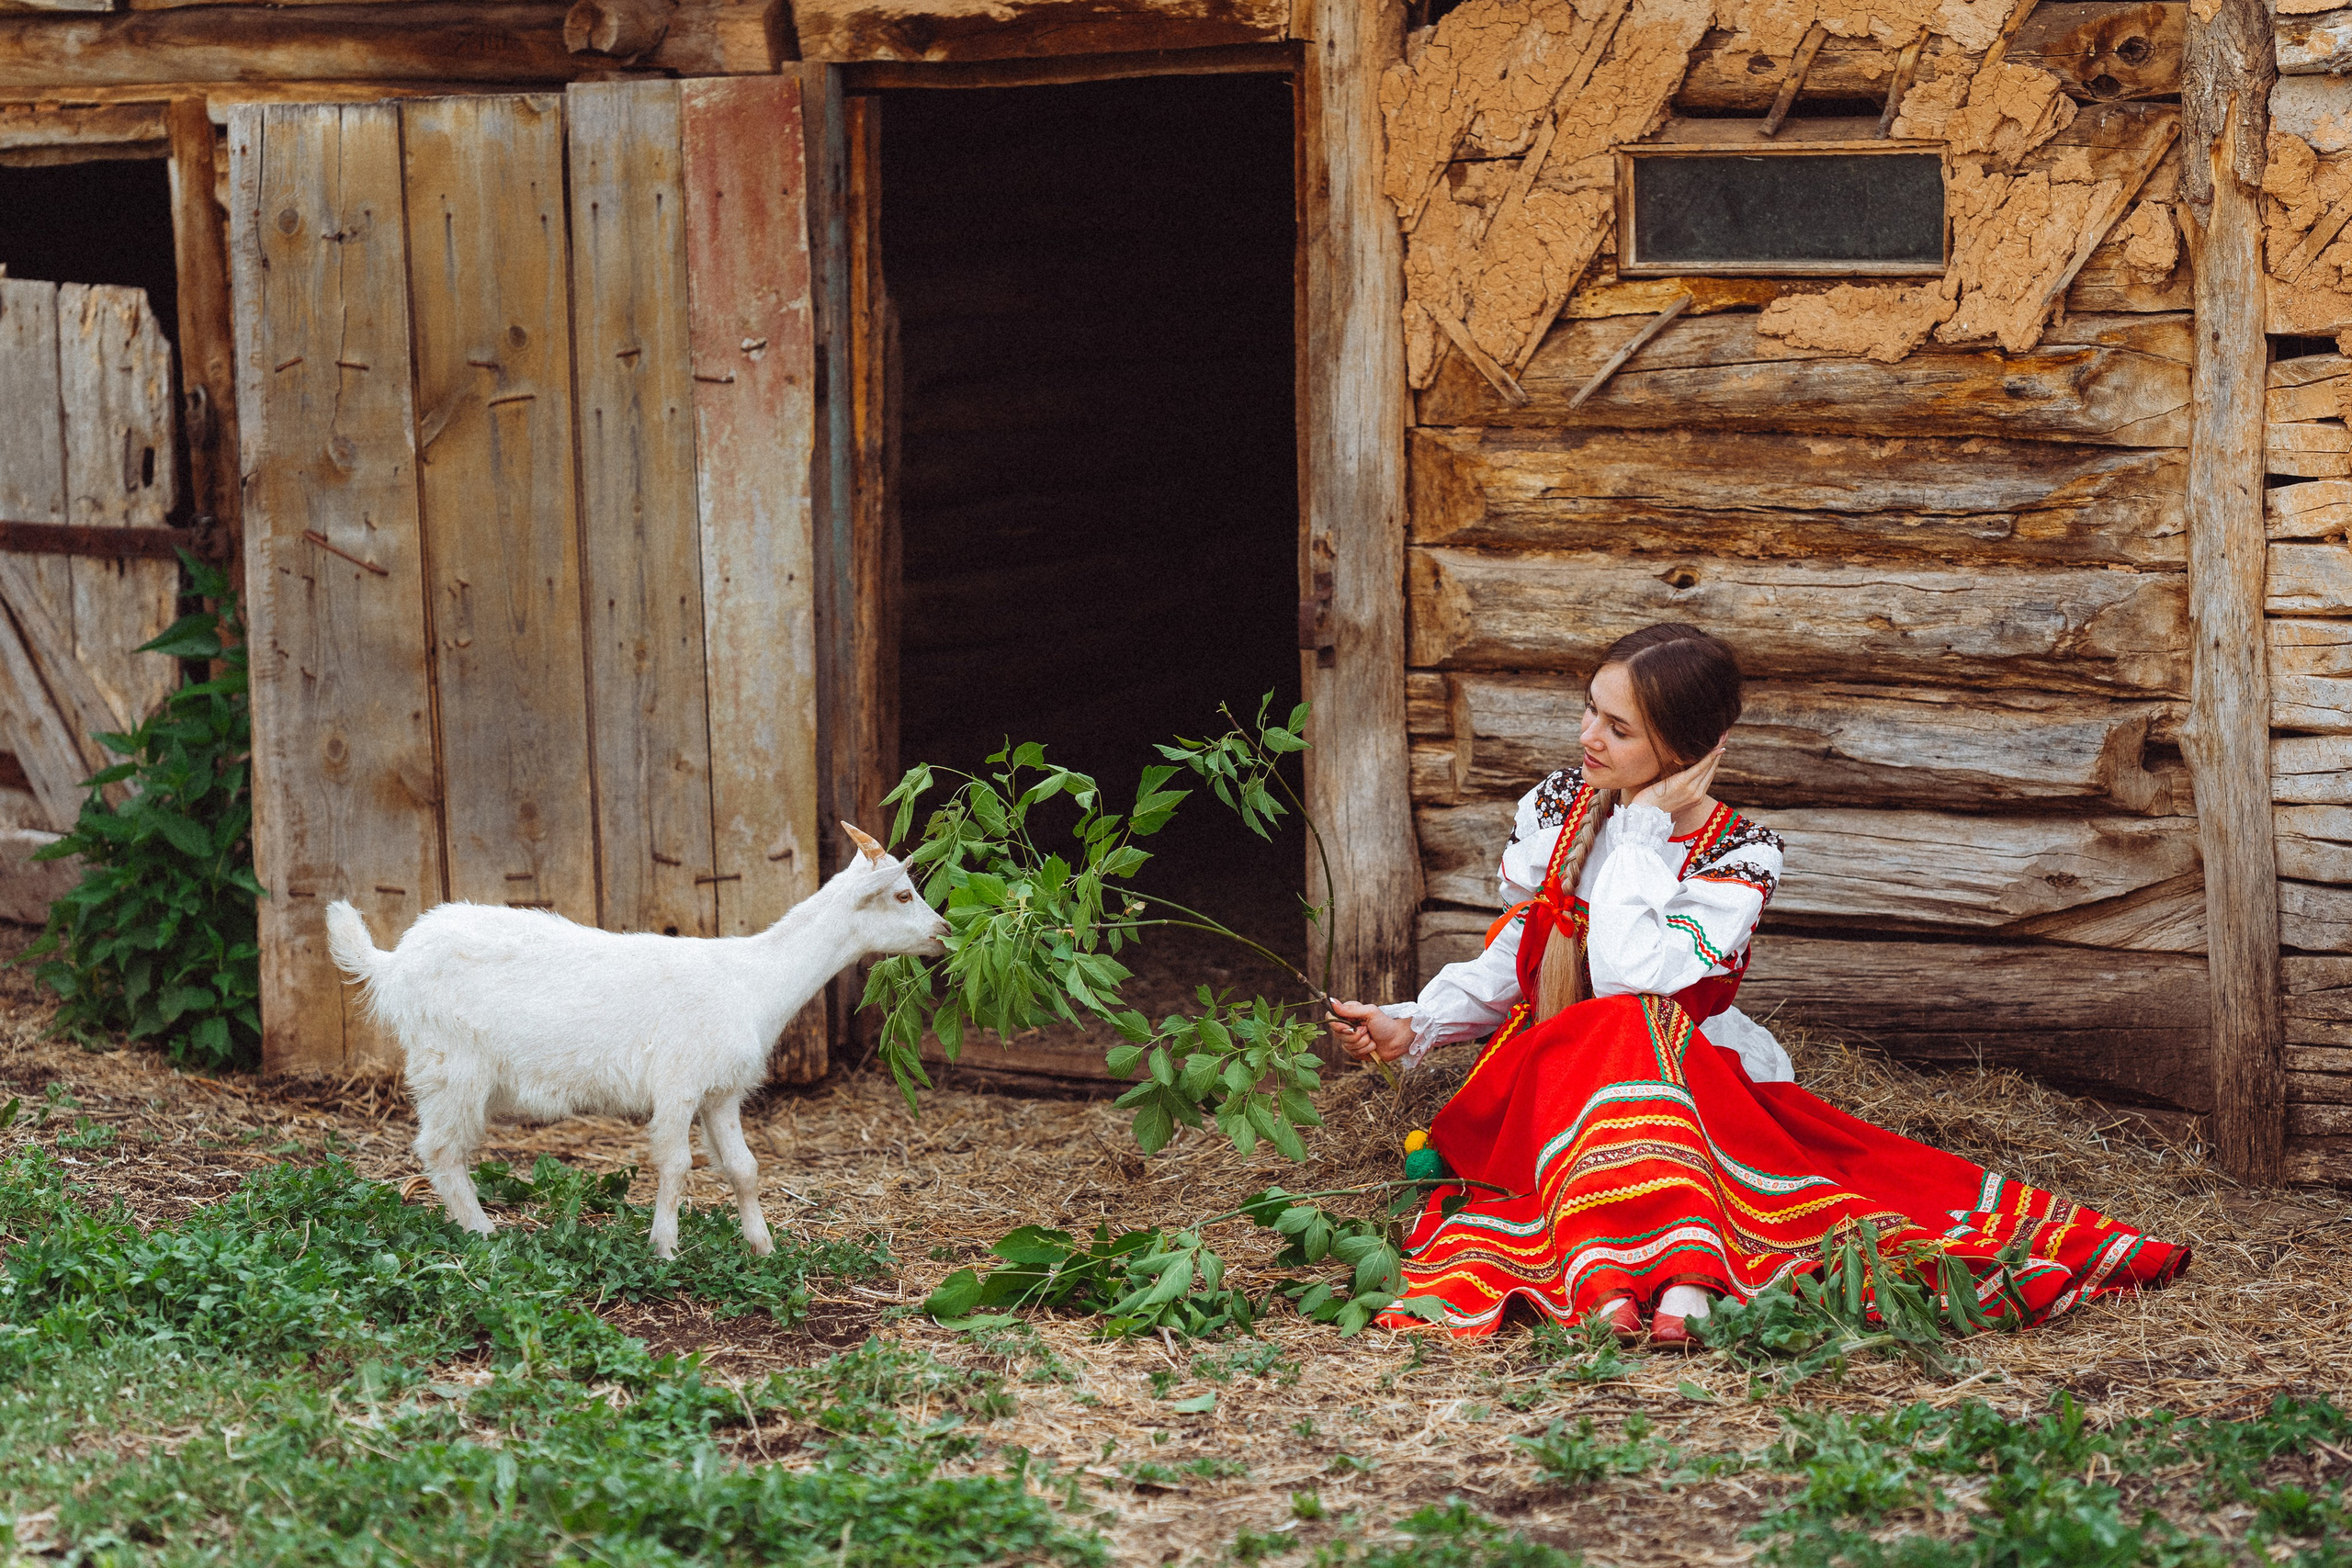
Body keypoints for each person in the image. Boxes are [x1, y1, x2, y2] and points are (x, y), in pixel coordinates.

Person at [1326, 623, 2188, 1344]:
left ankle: (1671, 1280)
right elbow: (1529, 945)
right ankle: (1641, 1282)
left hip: (1682, 1081)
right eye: (1591, 708)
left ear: (1688, 753)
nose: (1590, 736)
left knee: (1630, 1024)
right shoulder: (1557, 808)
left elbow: (1635, 980)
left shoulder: (1739, 855)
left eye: (1619, 729)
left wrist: (1639, 834)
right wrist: (1417, 1023)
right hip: (1554, 1086)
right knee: (1602, 1033)